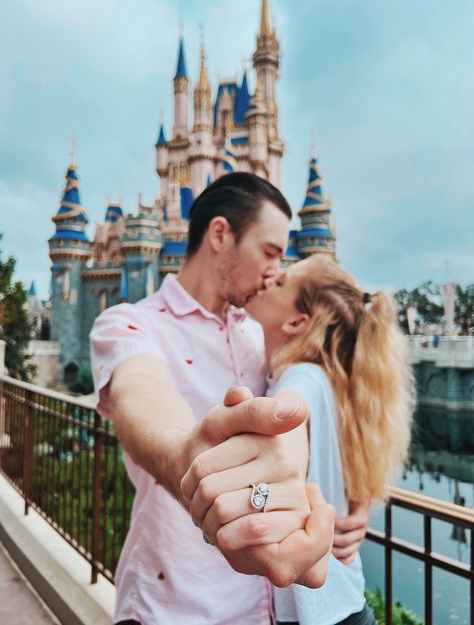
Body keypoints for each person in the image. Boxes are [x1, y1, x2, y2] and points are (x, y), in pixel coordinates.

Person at [90, 173, 340, 625]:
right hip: (173, 608)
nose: (275, 272)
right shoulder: (131, 323)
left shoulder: (256, 332)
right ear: (221, 234)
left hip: (262, 609)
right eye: (269, 252)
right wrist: (189, 456)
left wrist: (350, 505)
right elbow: (140, 394)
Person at [187, 254, 414, 625]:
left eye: (280, 282)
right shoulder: (321, 376)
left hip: (322, 615)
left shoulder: (301, 380)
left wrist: (261, 483)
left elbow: (290, 420)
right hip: (342, 604)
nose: (269, 278)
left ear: (297, 321)